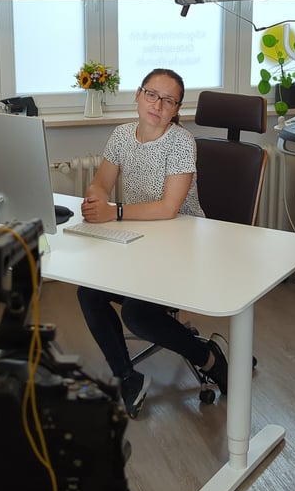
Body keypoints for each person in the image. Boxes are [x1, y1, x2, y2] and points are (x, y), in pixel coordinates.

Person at [77, 68, 228, 418]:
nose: (157, 105)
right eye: (151, 94)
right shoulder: (121, 135)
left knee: (137, 312)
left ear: (176, 109)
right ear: (138, 95)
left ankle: (207, 356)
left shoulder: (180, 142)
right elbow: (100, 182)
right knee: (89, 291)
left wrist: (112, 212)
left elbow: (167, 208)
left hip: (182, 248)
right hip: (139, 241)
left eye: (168, 100)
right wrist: (95, 198)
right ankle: (126, 376)